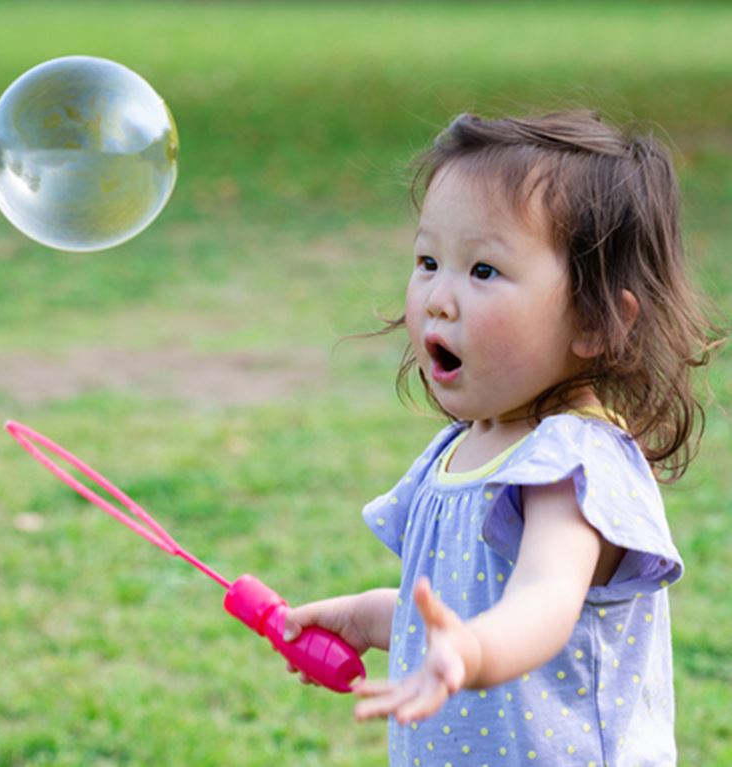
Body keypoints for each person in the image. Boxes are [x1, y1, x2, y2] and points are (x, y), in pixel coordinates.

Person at [283, 110, 723, 766]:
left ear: (597, 322)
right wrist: (376, 615)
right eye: (428, 260)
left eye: (482, 270)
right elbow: (471, 599)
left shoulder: (572, 461)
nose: (437, 297)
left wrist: (470, 650)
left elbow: (543, 597)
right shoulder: (462, 448)